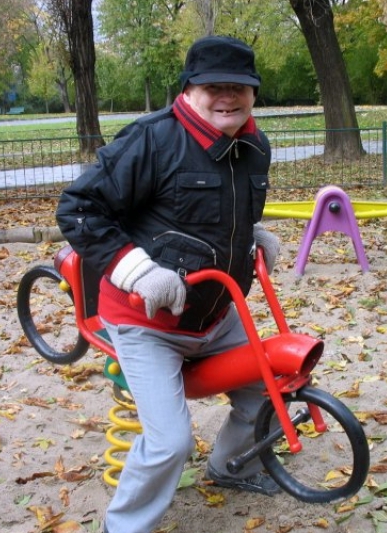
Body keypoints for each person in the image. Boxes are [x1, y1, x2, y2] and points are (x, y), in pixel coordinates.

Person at [55, 36, 281, 533]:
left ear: (254, 93)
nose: (228, 96)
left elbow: (224, 211)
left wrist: (250, 235)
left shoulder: (254, 145)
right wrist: (137, 270)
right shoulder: (152, 139)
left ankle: (227, 467)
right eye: (213, 86)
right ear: (189, 88)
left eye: (240, 87)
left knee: (265, 397)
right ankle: (124, 526)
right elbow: (79, 210)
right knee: (170, 441)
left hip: (217, 314)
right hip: (147, 322)